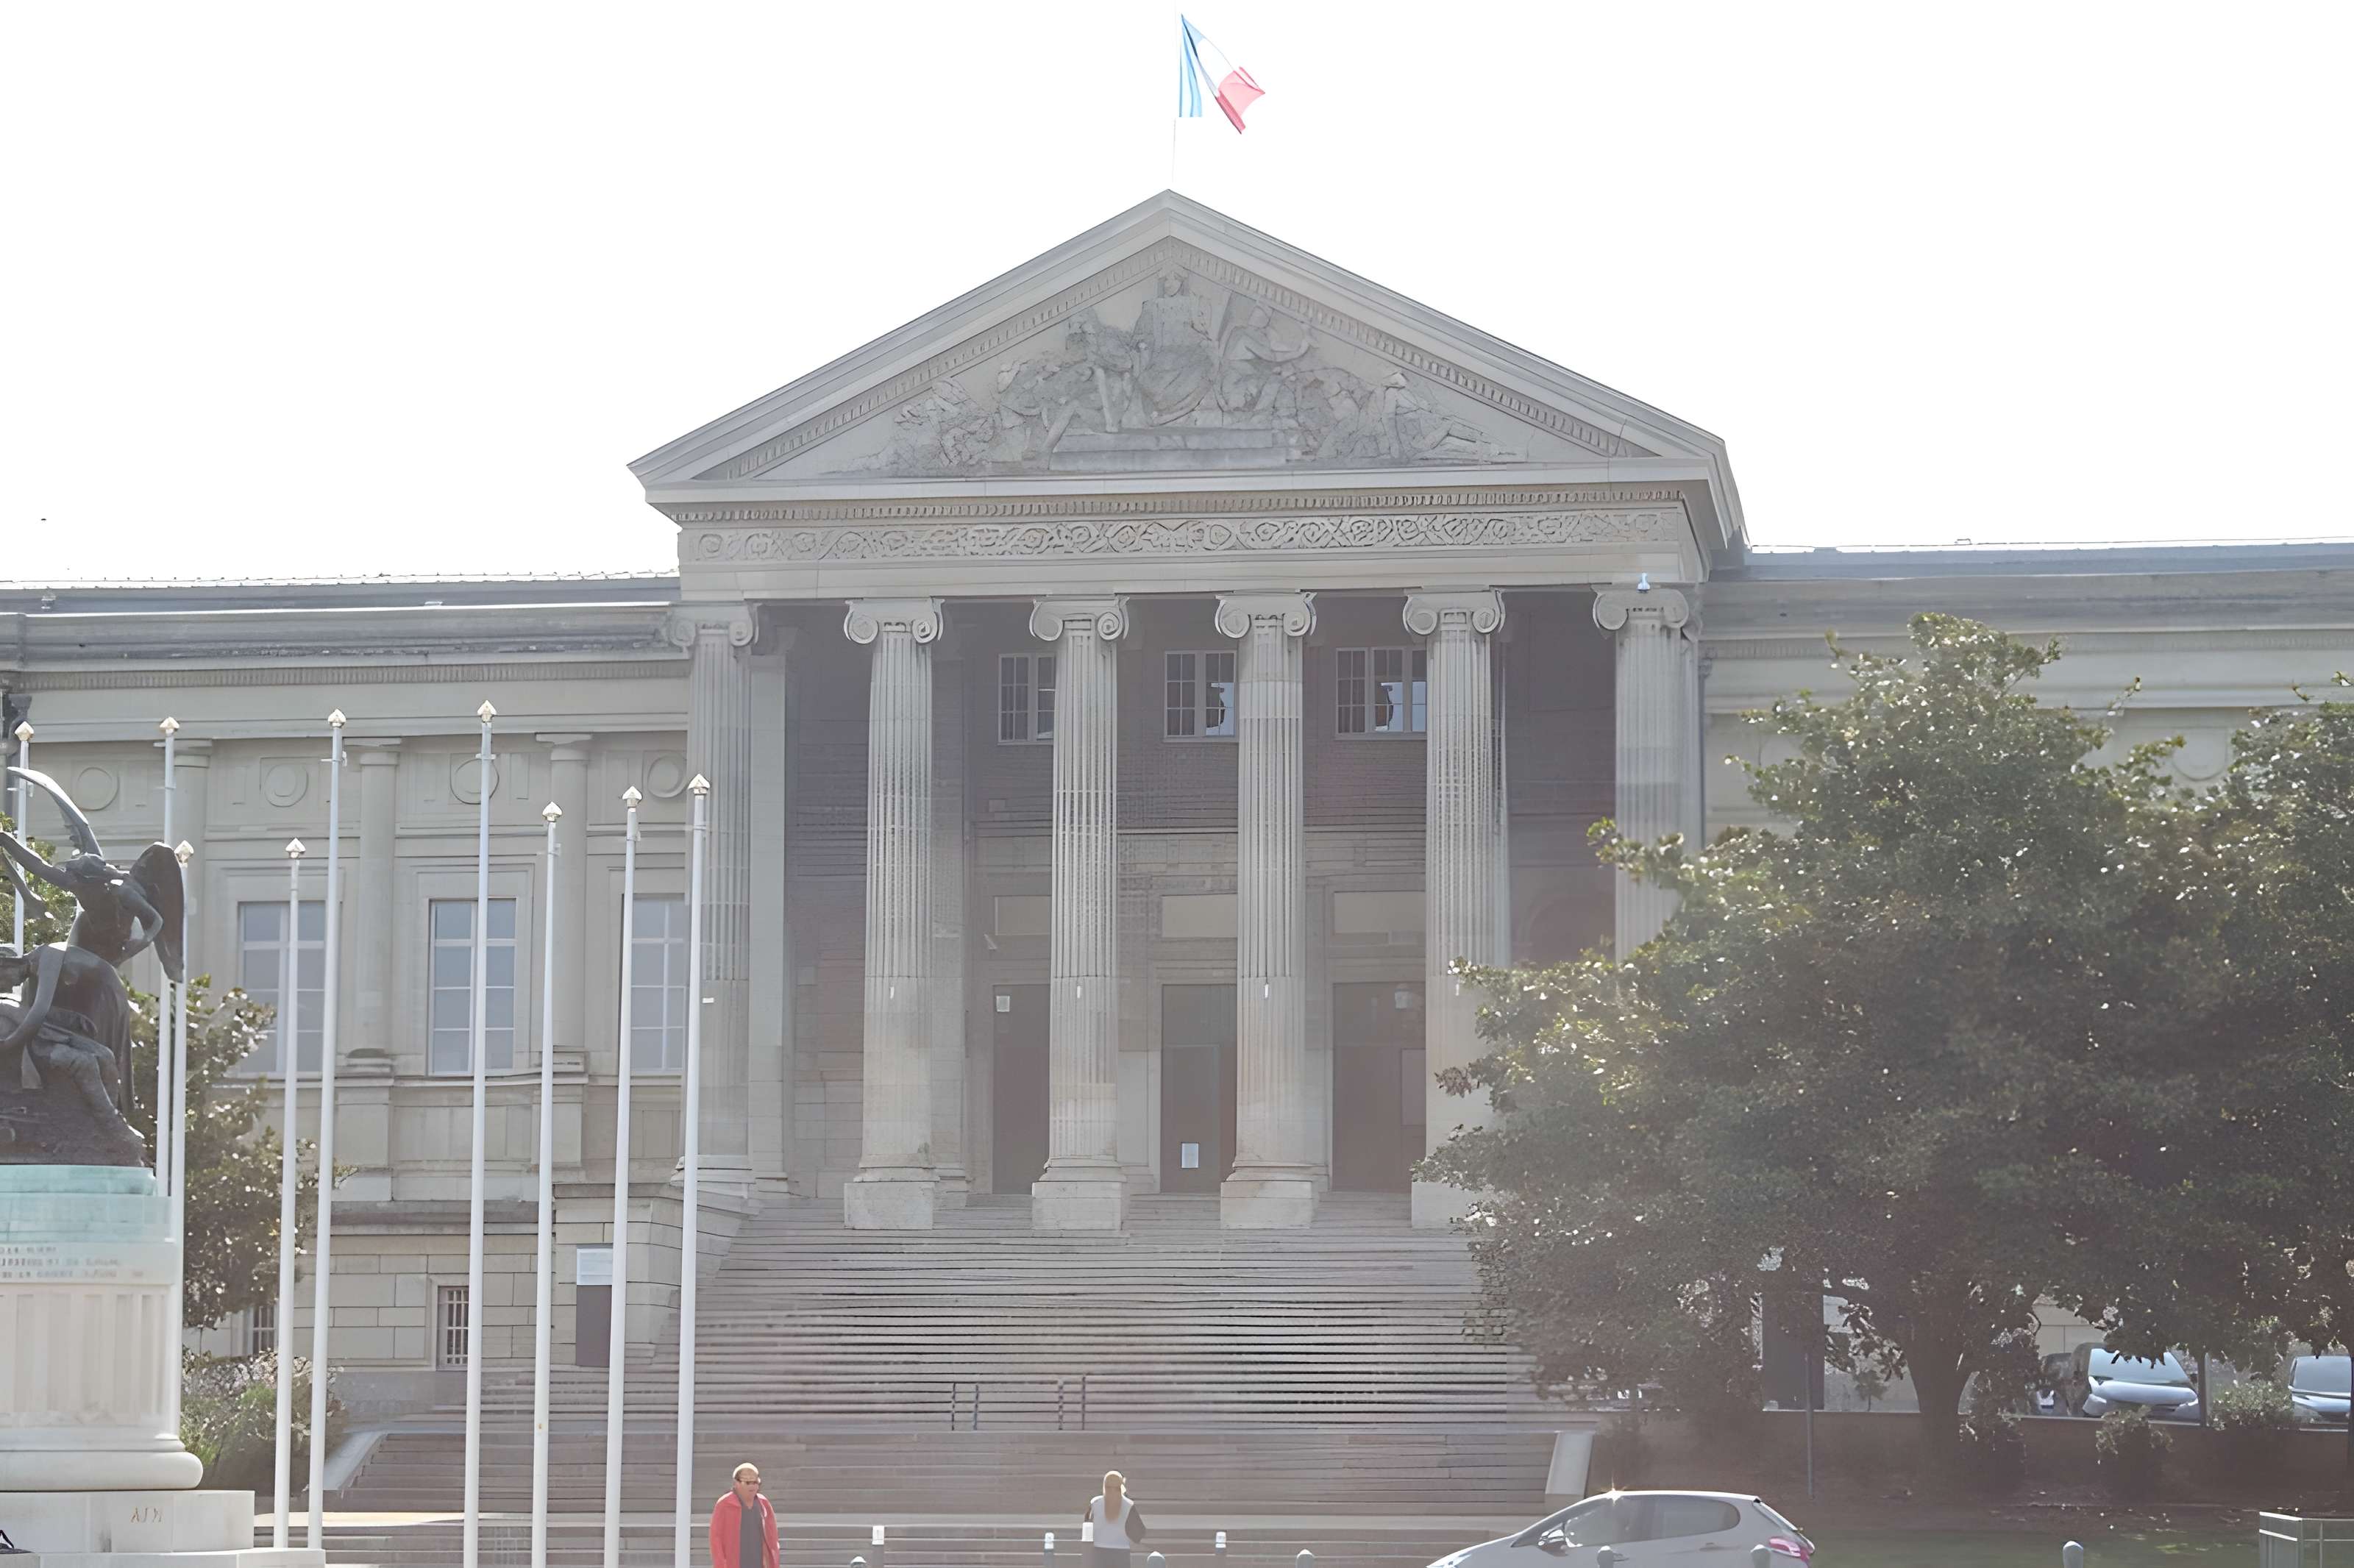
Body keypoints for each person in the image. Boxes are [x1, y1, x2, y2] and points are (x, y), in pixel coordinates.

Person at [710, 1461, 779, 1568]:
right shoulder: (724, 1504)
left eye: (755, 1482)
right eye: (747, 1483)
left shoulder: (764, 1503)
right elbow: (716, 1539)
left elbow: (772, 1538)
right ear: (736, 1483)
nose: (752, 1486)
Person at [1082, 1469, 1146, 1568]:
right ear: (1121, 1486)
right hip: (1121, 1554)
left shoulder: (1094, 1504)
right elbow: (1139, 1534)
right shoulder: (1129, 1505)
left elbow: (1087, 1527)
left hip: (1099, 1553)